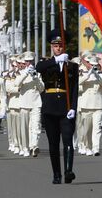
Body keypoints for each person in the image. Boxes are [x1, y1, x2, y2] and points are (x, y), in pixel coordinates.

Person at [36, 36, 79, 184]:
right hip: (50, 107)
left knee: (68, 141)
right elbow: (38, 68)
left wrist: (73, 107)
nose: (58, 48)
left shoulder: (72, 66)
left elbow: (74, 90)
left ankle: (68, 171)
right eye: (55, 46)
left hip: (66, 109)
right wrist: (55, 61)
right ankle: (56, 174)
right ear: (52, 47)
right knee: (53, 144)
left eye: (61, 46)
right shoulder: (46, 64)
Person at [78, 54, 102, 156]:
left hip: (98, 103)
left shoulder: (101, 75)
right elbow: (77, 83)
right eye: (92, 65)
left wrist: (98, 76)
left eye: (95, 65)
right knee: (86, 128)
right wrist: (88, 75)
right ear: (88, 64)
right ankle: (87, 146)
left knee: (97, 127)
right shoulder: (81, 73)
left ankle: (96, 148)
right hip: (86, 104)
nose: (93, 67)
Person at [16, 51, 44, 157]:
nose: (29, 63)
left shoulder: (38, 74)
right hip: (24, 103)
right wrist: (25, 73)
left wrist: (36, 78)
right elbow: (16, 83)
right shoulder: (21, 74)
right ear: (24, 62)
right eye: (27, 61)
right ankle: (24, 147)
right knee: (24, 127)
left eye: (31, 61)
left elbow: (41, 89)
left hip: (36, 103)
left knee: (36, 126)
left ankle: (34, 146)